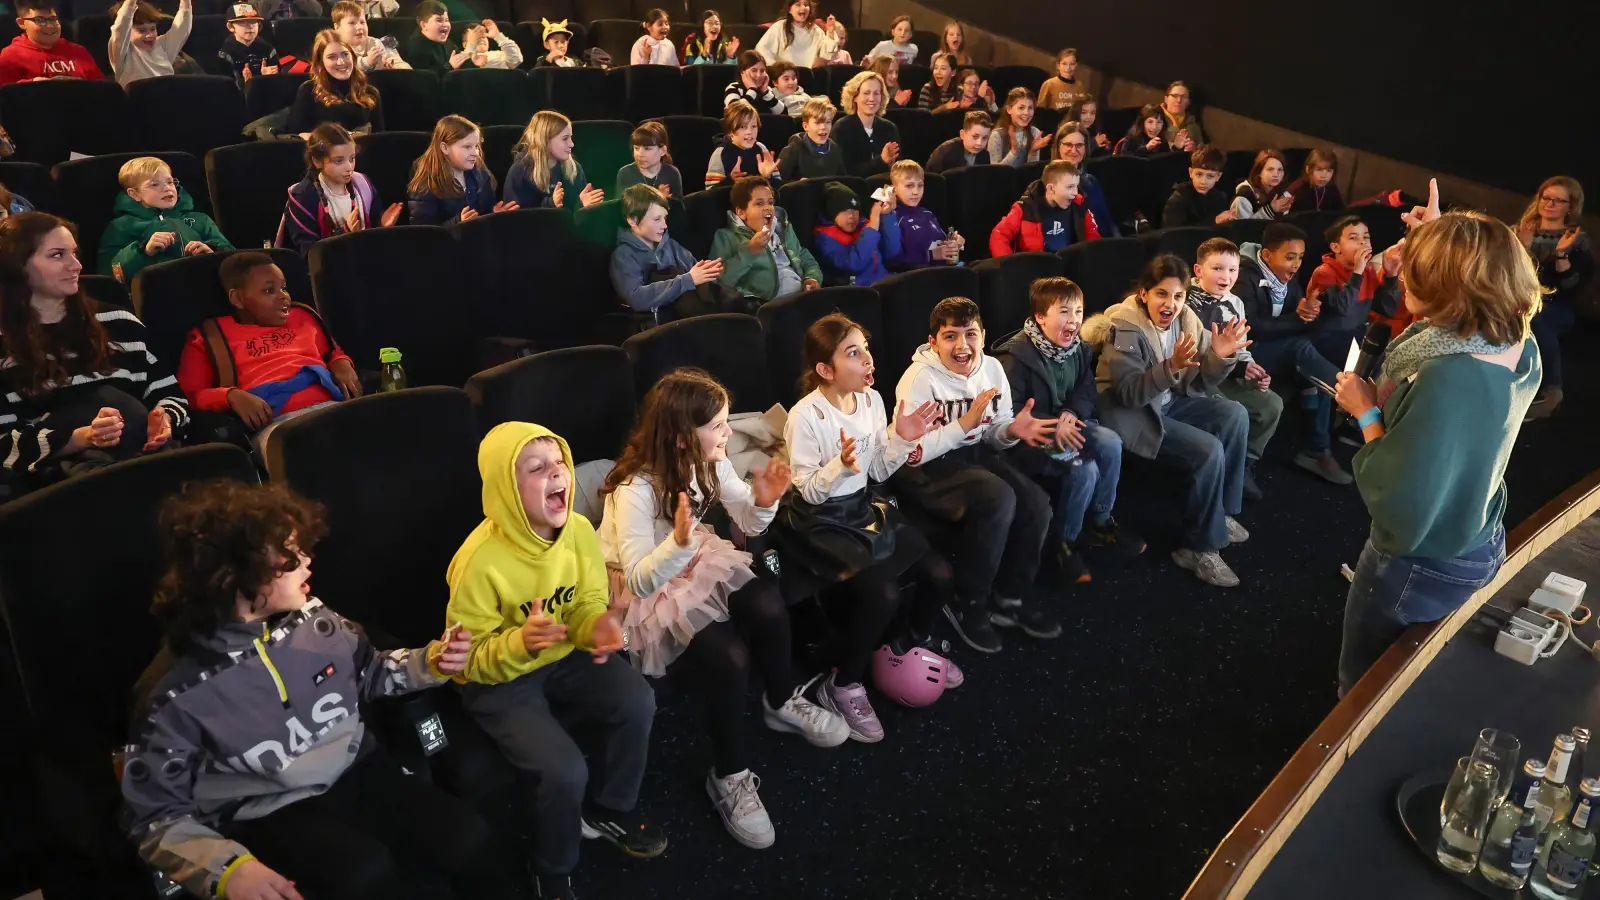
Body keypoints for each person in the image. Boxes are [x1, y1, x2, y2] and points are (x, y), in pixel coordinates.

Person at [120, 481, 528, 900]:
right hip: (265, 810)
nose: (307, 561)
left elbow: (370, 674)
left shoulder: (314, 620)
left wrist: (432, 662)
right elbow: (154, 817)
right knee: (364, 875)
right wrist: (225, 870)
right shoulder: (173, 693)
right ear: (232, 575)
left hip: (354, 768)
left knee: (467, 837)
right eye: (289, 554)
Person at [600, 369, 847, 850]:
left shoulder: (709, 461)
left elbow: (743, 513)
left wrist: (765, 503)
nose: (728, 433)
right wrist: (678, 542)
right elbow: (638, 577)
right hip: (647, 584)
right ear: (680, 437)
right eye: (718, 425)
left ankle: (780, 702)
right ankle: (729, 775)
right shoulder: (636, 490)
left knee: (769, 606)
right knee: (728, 657)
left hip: (687, 552)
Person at [1332, 185, 1541, 695]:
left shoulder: (1449, 379)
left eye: (1419, 268)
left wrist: (1365, 412)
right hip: (1477, 533)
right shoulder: (1515, 335)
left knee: (1365, 683)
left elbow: (1400, 499)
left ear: (1451, 290)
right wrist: (1442, 238)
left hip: (1418, 560)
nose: (1401, 270)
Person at [446, 422, 660, 900]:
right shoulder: (478, 561)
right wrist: (520, 644)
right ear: (507, 487)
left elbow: (584, 601)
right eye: (537, 468)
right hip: (499, 680)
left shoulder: (578, 531)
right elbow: (465, 662)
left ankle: (608, 809)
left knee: (637, 700)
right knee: (565, 770)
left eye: (559, 463)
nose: (558, 474)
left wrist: (595, 626)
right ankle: (551, 867)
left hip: (562, 652)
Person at [777, 314, 959, 741]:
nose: (867, 359)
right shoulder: (806, 417)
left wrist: (901, 437)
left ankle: (909, 645)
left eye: (865, 348)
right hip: (820, 520)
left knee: (938, 572)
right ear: (825, 370)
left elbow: (877, 468)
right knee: (883, 592)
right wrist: (839, 466)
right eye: (852, 352)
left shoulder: (873, 401)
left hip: (861, 505)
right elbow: (807, 492)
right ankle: (843, 684)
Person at [890, 297, 1059, 653]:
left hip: (973, 453)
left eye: (970, 334)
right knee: (998, 497)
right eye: (950, 336)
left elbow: (995, 434)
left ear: (983, 335)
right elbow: (913, 451)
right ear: (934, 342)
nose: (962, 345)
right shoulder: (919, 379)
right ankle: (970, 602)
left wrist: (1012, 431)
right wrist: (964, 425)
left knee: (1037, 504)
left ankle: (1011, 596)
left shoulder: (993, 369)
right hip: (924, 466)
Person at [1083, 254, 1250, 587]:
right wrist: (1171, 366)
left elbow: (1201, 382)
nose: (1170, 304)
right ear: (1144, 294)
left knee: (1235, 413)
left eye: (1178, 295)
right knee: (1208, 450)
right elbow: (1130, 394)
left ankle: (1220, 512)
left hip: (1169, 403)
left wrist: (1220, 355)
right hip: (1134, 414)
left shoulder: (1186, 321)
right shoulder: (1124, 329)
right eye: (1162, 294)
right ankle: (1198, 549)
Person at [0, 213, 188, 486]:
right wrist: (82, 437)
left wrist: (165, 420)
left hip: (146, 459)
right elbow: (4, 445)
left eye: (73, 253)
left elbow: (170, 395)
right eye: (57, 255)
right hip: (57, 486)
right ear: (16, 266)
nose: (75, 265)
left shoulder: (120, 323)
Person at [995, 277, 1142, 584]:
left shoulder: (1079, 350)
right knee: (1083, 469)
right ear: (1040, 317)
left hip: (1066, 421)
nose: (1073, 320)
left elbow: (1086, 389)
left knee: (1111, 442)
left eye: (1078, 311)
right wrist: (1054, 425)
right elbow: (1012, 414)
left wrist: (1071, 413)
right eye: (1064, 312)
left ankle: (1101, 521)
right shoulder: (1014, 358)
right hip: (1031, 435)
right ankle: (1064, 542)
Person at [176, 252, 360, 457]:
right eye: (269, 290)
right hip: (278, 426)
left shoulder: (303, 316)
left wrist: (342, 363)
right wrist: (230, 396)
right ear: (237, 298)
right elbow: (188, 396)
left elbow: (332, 353)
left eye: (283, 287)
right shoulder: (210, 337)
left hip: (335, 408)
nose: (283, 296)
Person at [1234, 222, 1351, 486]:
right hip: (1246, 351)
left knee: (1311, 371)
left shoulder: (1287, 276)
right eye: (1290, 257)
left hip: (1276, 343)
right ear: (1266, 255)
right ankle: (1348, 393)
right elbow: (1251, 325)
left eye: (1299, 257)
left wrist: (1308, 311)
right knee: (1300, 348)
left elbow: (1296, 311)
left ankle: (1317, 451)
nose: (1296, 264)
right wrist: (1299, 319)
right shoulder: (1244, 276)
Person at [1185, 238, 1282, 501]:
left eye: (1232, 270)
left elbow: (1240, 347)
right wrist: (1238, 366)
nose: (1226, 277)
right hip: (1198, 375)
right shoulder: (1185, 301)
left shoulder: (1235, 303)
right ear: (1198, 271)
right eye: (1217, 269)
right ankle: (1221, 478)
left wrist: (1250, 366)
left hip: (1231, 369)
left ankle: (1243, 465)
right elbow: (1194, 349)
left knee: (1271, 404)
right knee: (1229, 412)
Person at [1517, 176, 1590, 419]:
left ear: (1571, 206)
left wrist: (1560, 254)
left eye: (1559, 200)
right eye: (1546, 198)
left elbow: (1570, 288)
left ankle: (1551, 392)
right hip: (1519, 299)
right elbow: (1504, 273)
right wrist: (1522, 246)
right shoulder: (1521, 231)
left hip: (1557, 307)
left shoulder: (1577, 240)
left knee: (1537, 319)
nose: (1550, 204)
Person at [98, 157, 233, 284]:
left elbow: (232, 258)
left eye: (170, 182)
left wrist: (211, 252)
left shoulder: (200, 219)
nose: (167, 188)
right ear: (135, 194)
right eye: (155, 184)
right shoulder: (121, 227)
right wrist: (143, 251)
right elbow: (111, 276)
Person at [276, 123, 403, 254]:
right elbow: (311, 253)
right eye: (339, 161)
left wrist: (382, 226)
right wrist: (345, 232)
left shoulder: (363, 183)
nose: (349, 167)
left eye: (352, 159)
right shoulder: (302, 197)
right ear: (317, 161)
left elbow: (373, 231)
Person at [610, 184, 725, 319]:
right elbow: (636, 298)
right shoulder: (623, 255)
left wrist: (707, 272)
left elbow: (694, 271)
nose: (664, 225)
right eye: (656, 219)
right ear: (633, 220)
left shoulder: (670, 245)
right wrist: (688, 280)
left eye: (664, 218)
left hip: (686, 315)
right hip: (656, 322)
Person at [1306, 214, 1405, 360]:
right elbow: (1342, 309)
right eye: (1353, 238)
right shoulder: (1324, 273)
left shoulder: (1368, 271)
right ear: (1336, 247)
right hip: (1327, 345)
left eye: (1366, 237)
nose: (1362, 243)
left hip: (1355, 343)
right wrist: (1357, 272)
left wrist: (1391, 276)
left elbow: (1388, 309)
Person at [710, 176, 820, 302]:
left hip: (802, 296)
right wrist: (750, 252)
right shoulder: (725, 237)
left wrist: (812, 278)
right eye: (759, 203)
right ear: (741, 213)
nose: (768, 207)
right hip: (767, 305)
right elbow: (720, 282)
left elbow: (803, 255)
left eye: (770, 202)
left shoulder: (782, 227)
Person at [407, 114, 518, 226]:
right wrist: (458, 223)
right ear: (445, 148)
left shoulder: (481, 175)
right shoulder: (425, 185)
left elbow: (484, 213)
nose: (475, 153)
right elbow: (423, 233)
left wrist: (493, 215)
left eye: (476, 146)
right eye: (467, 147)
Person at [990, 160, 1100, 257]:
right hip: (1036, 269)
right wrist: (1011, 265)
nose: (1075, 193)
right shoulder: (1025, 207)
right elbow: (999, 234)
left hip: (1071, 266)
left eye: (1076, 186)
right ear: (1051, 188)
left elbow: (1093, 238)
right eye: (1070, 187)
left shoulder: (1079, 204)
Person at [286, 30, 385, 137]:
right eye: (331, 57)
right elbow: (295, 136)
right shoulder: (309, 90)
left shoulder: (370, 92)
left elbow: (379, 139)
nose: (341, 62)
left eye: (345, 54)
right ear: (321, 62)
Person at [504, 110, 604, 211]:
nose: (572, 144)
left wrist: (584, 206)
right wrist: (551, 204)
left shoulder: (574, 169)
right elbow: (518, 219)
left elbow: (575, 218)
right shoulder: (519, 173)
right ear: (545, 141)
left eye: (570, 138)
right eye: (565, 139)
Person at [814, 182, 898, 286]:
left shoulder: (864, 225)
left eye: (855, 209)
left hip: (883, 280)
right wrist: (872, 227)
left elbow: (892, 251)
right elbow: (854, 264)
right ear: (831, 213)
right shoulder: (824, 239)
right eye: (844, 210)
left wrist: (887, 216)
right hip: (856, 291)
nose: (851, 215)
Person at [0, 0, 105, 83]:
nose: (50, 26)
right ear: (21, 23)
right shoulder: (10, 56)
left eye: (53, 19)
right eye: (40, 20)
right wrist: (30, 85)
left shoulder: (79, 52)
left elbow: (102, 90)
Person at [885, 159, 963, 270]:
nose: (916, 192)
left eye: (920, 185)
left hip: (946, 269)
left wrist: (954, 243)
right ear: (894, 189)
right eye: (909, 186)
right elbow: (893, 259)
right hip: (919, 276)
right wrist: (931, 255)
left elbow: (942, 243)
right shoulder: (891, 217)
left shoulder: (927, 214)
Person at [1051, 121, 1117, 236]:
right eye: (1068, 145)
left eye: (1079, 145)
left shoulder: (1090, 181)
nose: (1073, 150)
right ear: (1058, 147)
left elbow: (1106, 223)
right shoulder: (1045, 183)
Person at [833, 70, 901, 178]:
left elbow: (898, 168)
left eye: (876, 93)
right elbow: (846, 173)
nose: (872, 99)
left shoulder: (889, 128)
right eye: (866, 93)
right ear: (855, 96)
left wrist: (892, 165)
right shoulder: (842, 128)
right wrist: (881, 160)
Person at [109, 0, 192, 87]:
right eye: (142, 31)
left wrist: (186, 2)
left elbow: (182, 27)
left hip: (166, 96)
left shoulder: (163, 46)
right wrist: (130, 3)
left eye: (152, 29)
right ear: (128, 31)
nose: (150, 35)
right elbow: (121, 26)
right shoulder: (122, 53)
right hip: (138, 98)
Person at [705, 100, 779, 187]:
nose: (749, 132)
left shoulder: (761, 148)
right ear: (730, 131)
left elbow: (778, 186)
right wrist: (730, 180)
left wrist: (767, 177)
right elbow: (710, 190)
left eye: (753, 126)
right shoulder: (720, 153)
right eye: (742, 127)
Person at [1162, 145, 1234, 229]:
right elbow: (1174, 233)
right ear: (1191, 172)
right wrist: (1214, 221)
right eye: (1199, 174)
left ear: (1218, 177)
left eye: (1210, 176)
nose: (1203, 181)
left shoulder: (1219, 198)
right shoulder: (1179, 198)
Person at [776, 95, 846, 181]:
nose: (823, 127)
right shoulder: (793, 149)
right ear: (806, 126)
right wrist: (796, 184)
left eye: (828, 122)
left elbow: (842, 180)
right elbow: (779, 181)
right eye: (818, 123)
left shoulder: (834, 149)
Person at [332, 1, 409, 73]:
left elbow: (404, 67)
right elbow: (345, 66)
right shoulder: (333, 47)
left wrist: (394, 68)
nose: (359, 27)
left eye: (362, 22)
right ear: (337, 27)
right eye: (352, 23)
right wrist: (367, 62)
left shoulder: (377, 43)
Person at [755, 0, 836, 67]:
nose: (803, 8)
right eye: (798, 4)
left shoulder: (815, 30)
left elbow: (826, 54)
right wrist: (776, 69)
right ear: (790, 9)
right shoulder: (779, 27)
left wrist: (831, 32)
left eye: (806, 5)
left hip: (808, 77)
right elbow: (762, 49)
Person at [616, 121, 684, 200]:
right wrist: (659, 199)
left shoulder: (672, 173)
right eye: (636, 148)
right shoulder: (625, 173)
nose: (640, 154)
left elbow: (678, 208)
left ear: (662, 150)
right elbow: (622, 208)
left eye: (647, 148)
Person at [401, 0, 471, 74]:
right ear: (424, 25)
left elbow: (460, 60)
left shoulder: (447, 43)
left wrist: (474, 62)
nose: (445, 24)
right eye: (439, 20)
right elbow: (425, 79)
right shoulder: (415, 48)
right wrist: (449, 66)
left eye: (446, 20)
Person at [218, 3, 281, 85]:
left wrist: (269, 78)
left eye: (253, 21)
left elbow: (280, 81)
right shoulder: (225, 54)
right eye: (243, 22)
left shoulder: (268, 49)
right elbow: (224, 86)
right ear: (230, 27)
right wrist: (245, 82)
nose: (250, 26)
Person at [987, 88, 1048, 167]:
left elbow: (1031, 172)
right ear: (1009, 109)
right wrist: (1013, 152)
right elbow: (995, 172)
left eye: (1030, 108)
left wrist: (1033, 152)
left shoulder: (1035, 132)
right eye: (1021, 108)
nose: (1026, 113)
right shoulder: (997, 135)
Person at [1231, 149, 1293, 220]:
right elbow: (1243, 229)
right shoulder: (1243, 198)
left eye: (1280, 170)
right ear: (1259, 172)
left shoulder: (1284, 194)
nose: (1276, 174)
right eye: (1270, 169)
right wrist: (1270, 210)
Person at [926, 110, 991, 173]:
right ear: (962, 134)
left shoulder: (985, 155)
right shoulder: (945, 152)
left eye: (984, 138)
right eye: (975, 136)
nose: (979, 143)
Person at [723, 50, 785, 116]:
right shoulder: (733, 87)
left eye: (762, 71)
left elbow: (784, 114)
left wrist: (765, 92)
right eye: (754, 70)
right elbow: (736, 112)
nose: (758, 75)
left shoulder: (766, 90)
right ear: (742, 72)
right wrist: (752, 90)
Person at [1287, 148, 1343, 212]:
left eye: (1329, 171)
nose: (1324, 176)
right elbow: (1280, 215)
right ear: (1308, 169)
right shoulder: (1296, 188)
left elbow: (1341, 213)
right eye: (1319, 170)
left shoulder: (1332, 188)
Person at [457, 19, 522, 69]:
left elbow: (516, 60)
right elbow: (463, 67)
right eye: (476, 36)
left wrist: (498, 36)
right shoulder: (460, 56)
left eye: (483, 36)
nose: (481, 38)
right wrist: (471, 46)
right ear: (465, 45)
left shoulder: (500, 54)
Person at [1160, 79, 1203, 150]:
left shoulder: (1194, 126)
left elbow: (1202, 153)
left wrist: (1194, 151)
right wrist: (1173, 147)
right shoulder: (1153, 119)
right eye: (1174, 95)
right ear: (1166, 99)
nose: (1179, 100)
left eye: (1184, 97)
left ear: (1188, 102)